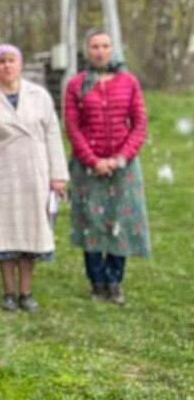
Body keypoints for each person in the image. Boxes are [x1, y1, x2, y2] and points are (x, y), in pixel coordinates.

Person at [0, 44, 69, 312]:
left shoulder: (40, 97)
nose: (7, 66)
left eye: (11, 61)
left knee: (30, 234)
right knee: (5, 234)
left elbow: (53, 137)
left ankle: (26, 291)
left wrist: (58, 176)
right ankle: (9, 291)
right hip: (0, 177)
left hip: (35, 175)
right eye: (1, 62)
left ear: (20, 65)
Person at [64, 28, 151, 305]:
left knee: (119, 221)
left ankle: (115, 281)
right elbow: (73, 127)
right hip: (88, 167)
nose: (100, 51)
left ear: (112, 49)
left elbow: (139, 124)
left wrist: (120, 158)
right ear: (86, 51)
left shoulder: (129, 82)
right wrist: (93, 160)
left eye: (105, 46)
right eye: (94, 46)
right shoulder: (77, 84)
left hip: (122, 168)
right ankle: (96, 282)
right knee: (91, 222)